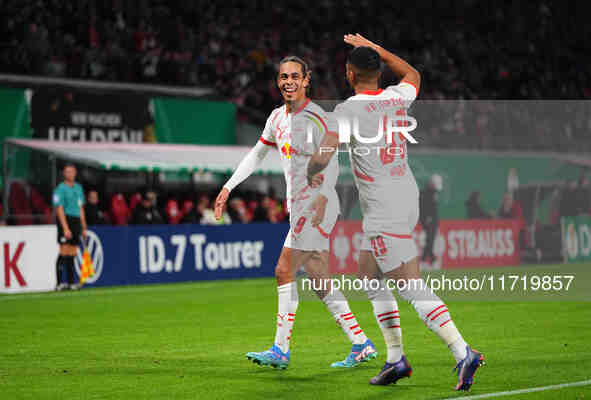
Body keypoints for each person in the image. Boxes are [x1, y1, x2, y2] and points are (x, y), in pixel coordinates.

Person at [307, 35, 484, 391]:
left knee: (408, 284)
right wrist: (378, 48)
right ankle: (395, 360)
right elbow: (413, 74)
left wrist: (311, 173)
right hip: (405, 194)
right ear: (376, 71)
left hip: (384, 206)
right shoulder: (395, 97)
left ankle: (462, 350)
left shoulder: (347, 112)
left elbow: (323, 156)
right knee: (368, 272)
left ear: (349, 73)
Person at [214, 56, 376, 370]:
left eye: (295, 76)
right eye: (283, 76)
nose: (288, 81)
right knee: (319, 279)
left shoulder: (317, 118)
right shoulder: (277, 118)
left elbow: (330, 161)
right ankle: (361, 344)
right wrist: (228, 187)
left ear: (306, 80)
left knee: (283, 270)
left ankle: (280, 349)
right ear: (279, 82)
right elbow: (258, 154)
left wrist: (321, 199)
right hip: (299, 207)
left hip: (317, 205)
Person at [53, 164, 87, 291]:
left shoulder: (78, 188)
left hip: (76, 220)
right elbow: (59, 208)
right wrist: (65, 228)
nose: (70, 174)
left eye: (72, 172)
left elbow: (81, 208)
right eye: (67, 172)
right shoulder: (60, 189)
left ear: (75, 173)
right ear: (64, 174)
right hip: (65, 219)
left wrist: (83, 227)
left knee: (73, 252)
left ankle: (71, 282)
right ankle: (59, 283)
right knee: (63, 251)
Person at [420, 174, 442, 264]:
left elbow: (433, 209)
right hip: (429, 220)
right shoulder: (425, 194)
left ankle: (430, 258)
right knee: (430, 240)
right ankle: (426, 259)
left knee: (430, 240)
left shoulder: (433, 193)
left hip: (432, 220)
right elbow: (425, 208)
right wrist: (427, 218)